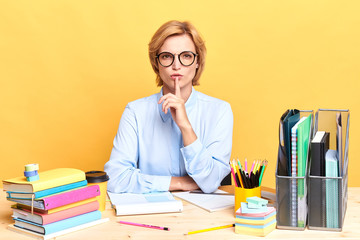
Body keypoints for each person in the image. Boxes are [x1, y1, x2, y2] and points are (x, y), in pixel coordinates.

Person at [104, 20, 233, 194]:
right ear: (156, 64)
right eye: (166, 56)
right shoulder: (135, 111)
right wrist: (178, 183)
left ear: (197, 62)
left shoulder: (220, 111)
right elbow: (115, 178)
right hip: (151, 214)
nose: (176, 65)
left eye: (186, 56)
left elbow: (210, 182)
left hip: (204, 217)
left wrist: (185, 126)